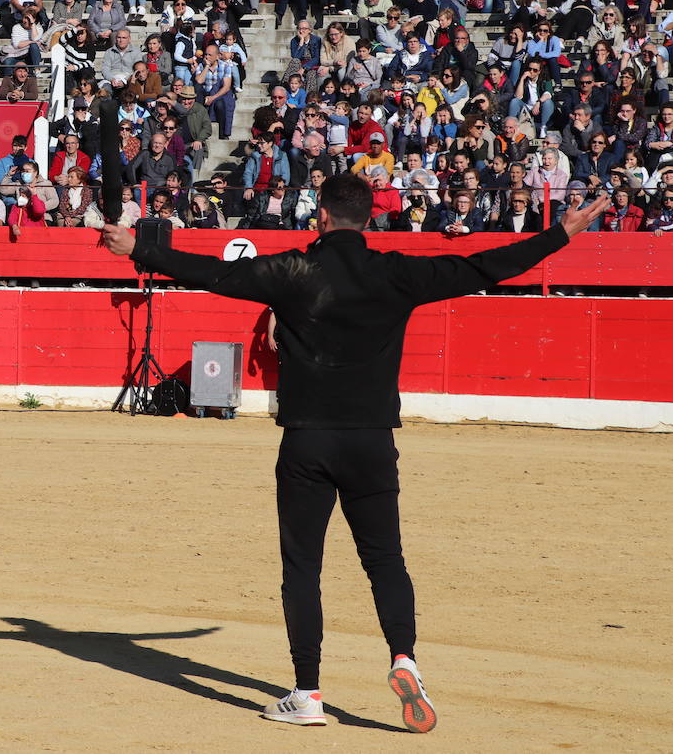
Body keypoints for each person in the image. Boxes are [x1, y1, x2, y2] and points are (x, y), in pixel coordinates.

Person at [102, 173, 609, 734]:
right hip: (371, 440)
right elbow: (485, 266)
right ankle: (403, 658)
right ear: (369, 219)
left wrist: (141, 250)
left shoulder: (292, 270)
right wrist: (559, 233)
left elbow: (216, 273)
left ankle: (308, 693)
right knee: (385, 559)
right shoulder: (396, 272)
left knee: (303, 567)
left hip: (308, 440)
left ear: (321, 216)